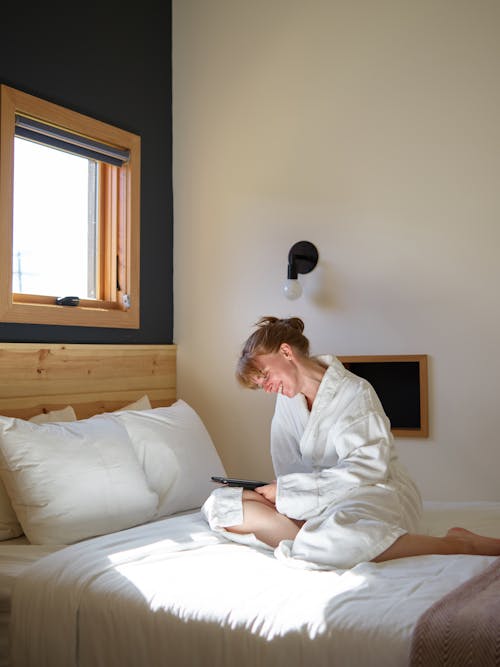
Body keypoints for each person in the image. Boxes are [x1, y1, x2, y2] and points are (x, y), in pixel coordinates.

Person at [202, 316, 500, 570]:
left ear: (286, 352)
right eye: (259, 385)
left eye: (264, 375)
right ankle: (312, 534)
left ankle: (455, 543)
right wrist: (282, 494)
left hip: (374, 490)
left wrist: (292, 493)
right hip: (311, 501)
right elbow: (288, 467)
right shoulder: (287, 403)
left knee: (339, 537)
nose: (266, 387)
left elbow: (368, 470)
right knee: (220, 504)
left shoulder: (354, 393)